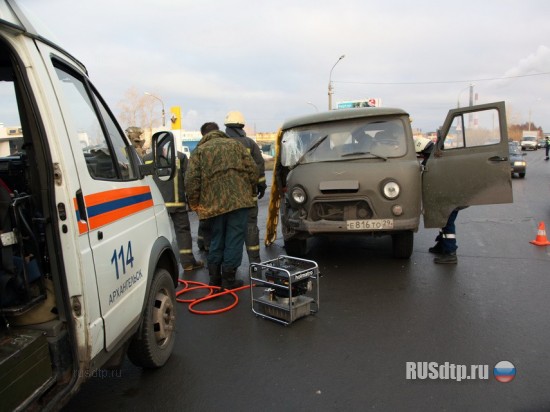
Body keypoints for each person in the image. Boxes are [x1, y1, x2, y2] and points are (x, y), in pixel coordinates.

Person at [185, 123, 258, 289]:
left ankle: (215, 278)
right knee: (234, 238)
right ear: (218, 131)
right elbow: (253, 170)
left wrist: (195, 203)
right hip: (239, 202)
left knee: (217, 238)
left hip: (212, 206)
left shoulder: (199, 151)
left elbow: (191, 181)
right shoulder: (236, 145)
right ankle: (229, 278)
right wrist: (251, 189)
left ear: (203, 134)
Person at [144, 147, 203, 272]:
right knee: (182, 232)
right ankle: (188, 263)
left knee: (156, 234)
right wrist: (192, 200)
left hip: (156, 204)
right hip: (177, 202)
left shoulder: (146, 159)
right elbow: (189, 179)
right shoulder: (180, 157)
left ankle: (157, 266)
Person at [224, 111, 266, 264]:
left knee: (230, 231)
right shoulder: (249, 143)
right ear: (242, 126)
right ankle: (255, 263)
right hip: (248, 196)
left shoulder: (219, 144)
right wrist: (261, 185)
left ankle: (230, 269)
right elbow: (259, 166)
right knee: (250, 227)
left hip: (225, 199)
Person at [414, 135, 458, 264]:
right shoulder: (437, 158)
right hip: (445, 197)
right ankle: (441, 246)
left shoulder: (434, 162)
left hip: (450, 198)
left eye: (421, 154)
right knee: (442, 222)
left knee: (447, 224)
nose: (421, 156)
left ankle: (450, 253)